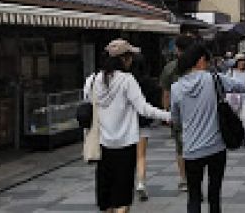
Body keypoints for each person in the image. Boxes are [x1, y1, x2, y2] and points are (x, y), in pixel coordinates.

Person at [84, 39, 171, 213]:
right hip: (125, 144)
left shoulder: (92, 80)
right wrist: (168, 115)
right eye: (130, 56)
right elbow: (143, 108)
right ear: (125, 59)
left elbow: (87, 105)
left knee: (106, 197)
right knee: (122, 196)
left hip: (102, 145)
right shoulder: (127, 80)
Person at [171, 44, 245, 213]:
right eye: (206, 61)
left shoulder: (175, 88)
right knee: (214, 195)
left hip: (191, 150)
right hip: (216, 148)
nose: (207, 64)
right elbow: (241, 86)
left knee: (194, 196)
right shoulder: (214, 79)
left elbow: (175, 119)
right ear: (200, 61)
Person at [159, 34, 195, 193]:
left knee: (180, 147)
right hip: (197, 111)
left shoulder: (170, 67)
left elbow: (166, 93)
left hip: (178, 112)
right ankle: (194, 176)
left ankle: (184, 179)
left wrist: (166, 112)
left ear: (177, 49)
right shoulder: (199, 65)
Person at [131, 54, 160, 202]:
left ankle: (126, 182)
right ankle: (141, 183)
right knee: (141, 155)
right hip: (143, 122)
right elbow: (155, 101)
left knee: (127, 156)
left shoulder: (127, 81)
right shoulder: (148, 82)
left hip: (126, 124)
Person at [227, 53, 245, 147]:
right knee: (235, 119)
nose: (242, 63)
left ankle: (244, 137)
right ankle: (235, 137)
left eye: (244, 61)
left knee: (244, 118)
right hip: (233, 99)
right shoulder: (230, 72)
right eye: (240, 61)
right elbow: (226, 85)